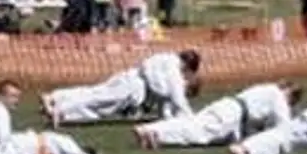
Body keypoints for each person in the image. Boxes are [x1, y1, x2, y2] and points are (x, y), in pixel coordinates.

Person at [42, 50, 199, 126]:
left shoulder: (165, 57)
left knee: (95, 93)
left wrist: (170, 119)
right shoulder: (173, 70)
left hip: (129, 77)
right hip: (133, 87)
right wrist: (192, 120)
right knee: (98, 102)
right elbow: (178, 99)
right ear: (188, 66)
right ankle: (61, 111)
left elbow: (166, 103)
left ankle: (55, 98)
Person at [135, 82, 299, 149]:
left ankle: (151, 128)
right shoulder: (278, 96)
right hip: (233, 115)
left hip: (228, 106)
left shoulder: (267, 88)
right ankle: (155, 134)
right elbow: (285, 127)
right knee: (197, 134)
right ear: (290, 95)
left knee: (193, 124)